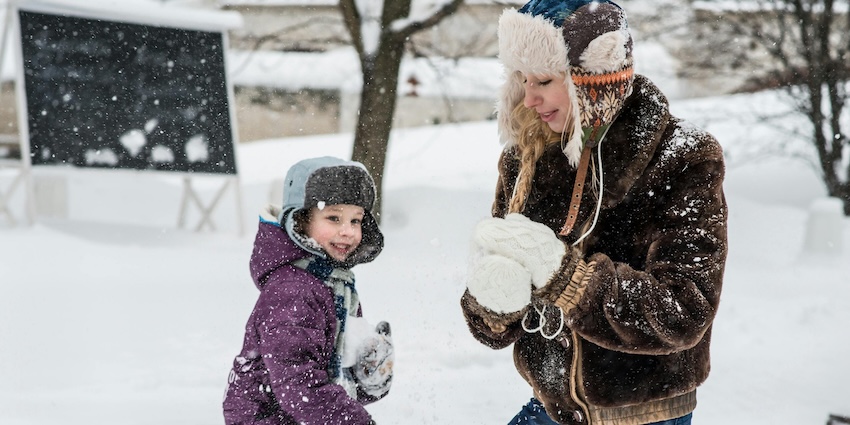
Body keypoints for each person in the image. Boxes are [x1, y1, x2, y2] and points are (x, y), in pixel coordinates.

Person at [460, 1, 728, 425]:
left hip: (644, 414)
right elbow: (497, 317)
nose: (529, 98)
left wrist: (569, 280)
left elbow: (684, 311)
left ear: (594, 80)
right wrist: (494, 303)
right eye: (522, 80)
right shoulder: (528, 152)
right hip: (550, 408)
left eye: (545, 80)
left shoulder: (681, 158)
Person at [223, 156, 393, 425]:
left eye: (356, 220)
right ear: (300, 221)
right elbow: (298, 387)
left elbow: (334, 376)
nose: (347, 231)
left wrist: (368, 378)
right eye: (334, 218)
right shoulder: (294, 291)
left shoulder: (338, 286)